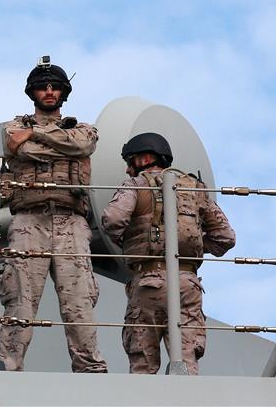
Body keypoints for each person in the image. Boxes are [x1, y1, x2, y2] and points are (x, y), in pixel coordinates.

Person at [0, 56, 108, 373]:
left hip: (70, 220)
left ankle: (90, 372)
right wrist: (44, 143)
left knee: (79, 303)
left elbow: (80, 146)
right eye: (42, 87)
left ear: (63, 92)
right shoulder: (11, 128)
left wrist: (33, 137)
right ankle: (8, 369)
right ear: (32, 92)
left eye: (54, 87)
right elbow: (20, 148)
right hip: (28, 220)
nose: (49, 91)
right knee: (20, 299)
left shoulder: (83, 130)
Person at [101, 132, 235, 375]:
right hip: (187, 283)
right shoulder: (195, 188)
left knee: (143, 364)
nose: (128, 169)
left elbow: (113, 219)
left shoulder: (135, 185)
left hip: (148, 281)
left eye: (130, 162)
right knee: (186, 364)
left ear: (141, 160)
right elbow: (226, 238)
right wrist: (189, 247)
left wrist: (129, 240)